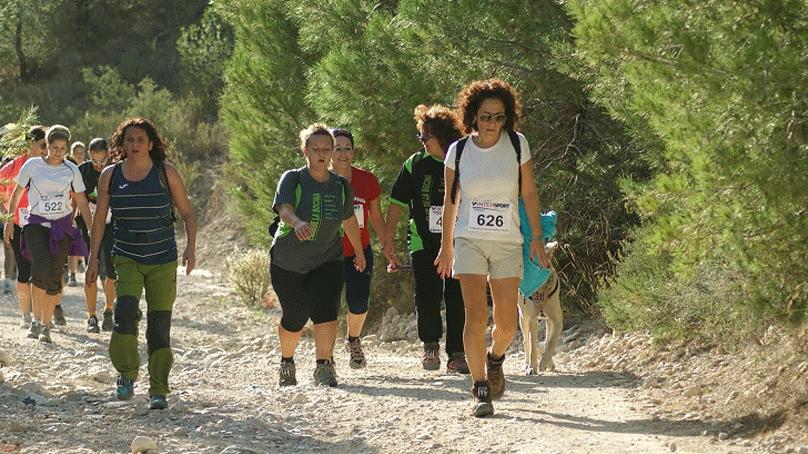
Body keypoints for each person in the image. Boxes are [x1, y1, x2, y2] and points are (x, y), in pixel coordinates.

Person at [434, 79, 550, 417]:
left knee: (507, 324)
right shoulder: (457, 152)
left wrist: (537, 238)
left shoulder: (517, 145)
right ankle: (480, 385)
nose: (492, 124)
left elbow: (529, 193)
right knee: (475, 316)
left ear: (507, 118)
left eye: (499, 117)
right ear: (473, 115)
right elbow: (450, 202)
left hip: (507, 242)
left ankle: (495, 358)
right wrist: (446, 247)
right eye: (486, 116)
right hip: (469, 240)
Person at [86, 118, 197, 411]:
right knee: (124, 314)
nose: (135, 145)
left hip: (162, 258)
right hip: (126, 255)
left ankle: (158, 388)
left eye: (140, 140)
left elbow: (187, 212)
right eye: (129, 140)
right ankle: (126, 374)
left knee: (159, 325)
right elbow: (98, 221)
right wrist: (92, 259)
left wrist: (191, 248)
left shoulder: (165, 173)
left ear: (150, 144)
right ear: (121, 145)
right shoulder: (110, 176)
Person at [270, 123, 366, 388]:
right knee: (296, 315)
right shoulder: (293, 178)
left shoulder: (341, 186)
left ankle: (324, 367)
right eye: (316, 149)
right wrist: (297, 223)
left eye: (328, 149)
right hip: (288, 260)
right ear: (305, 151)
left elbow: (348, 220)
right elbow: (284, 209)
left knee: (327, 310)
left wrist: (359, 251)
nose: (322, 154)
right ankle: (287, 361)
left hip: (328, 257)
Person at [384, 104, 469, 373]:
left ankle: (457, 352)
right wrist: (388, 241)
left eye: (425, 137)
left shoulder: (463, 159)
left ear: (442, 136)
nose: (421, 143)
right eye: (419, 138)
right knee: (427, 296)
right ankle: (430, 345)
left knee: (457, 296)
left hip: (459, 241)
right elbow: (396, 202)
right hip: (422, 240)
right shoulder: (415, 163)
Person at [4, 125, 93, 343]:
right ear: (47, 145)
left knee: (55, 276)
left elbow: (81, 200)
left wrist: (91, 229)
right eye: (54, 147)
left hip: (61, 226)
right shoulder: (32, 166)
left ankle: (45, 325)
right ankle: (35, 321)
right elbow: (16, 194)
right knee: (40, 267)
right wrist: (8, 222)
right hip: (35, 224)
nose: (58, 152)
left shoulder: (71, 170)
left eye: (63, 148)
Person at [329, 128, 386, 369]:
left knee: (359, 303)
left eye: (347, 148)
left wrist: (389, 246)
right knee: (328, 306)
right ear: (329, 152)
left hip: (359, 251)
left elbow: (376, 216)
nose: (343, 153)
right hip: (328, 255)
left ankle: (353, 338)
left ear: (354, 151)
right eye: (337, 148)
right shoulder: (320, 180)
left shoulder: (367, 180)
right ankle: (326, 356)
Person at [0, 125, 45, 327]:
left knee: (41, 270)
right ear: (30, 144)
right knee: (24, 271)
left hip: (44, 224)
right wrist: (6, 214)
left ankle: (40, 315)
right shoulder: (15, 165)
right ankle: (25, 314)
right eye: (43, 144)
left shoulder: (49, 165)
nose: (46, 149)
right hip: (18, 223)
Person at [77, 138, 116, 333]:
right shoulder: (83, 170)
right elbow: (77, 198)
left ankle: (109, 309)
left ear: (109, 155)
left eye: (103, 161)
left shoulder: (117, 169)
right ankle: (91, 317)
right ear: (89, 156)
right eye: (95, 161)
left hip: (112, 225)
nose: (99, 166)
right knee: (91, 270)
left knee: (112, 271)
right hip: (88, 225)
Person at [65, 140, 87, 287]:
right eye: (76, 153)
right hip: (71, 212)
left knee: (79, 242)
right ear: (72, 153)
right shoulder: (68, 168)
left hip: (83, 212)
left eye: (81, 153)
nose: (79, 156)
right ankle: (71, 271)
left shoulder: (87, 169)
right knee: (71, 244)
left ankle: (77, 266)